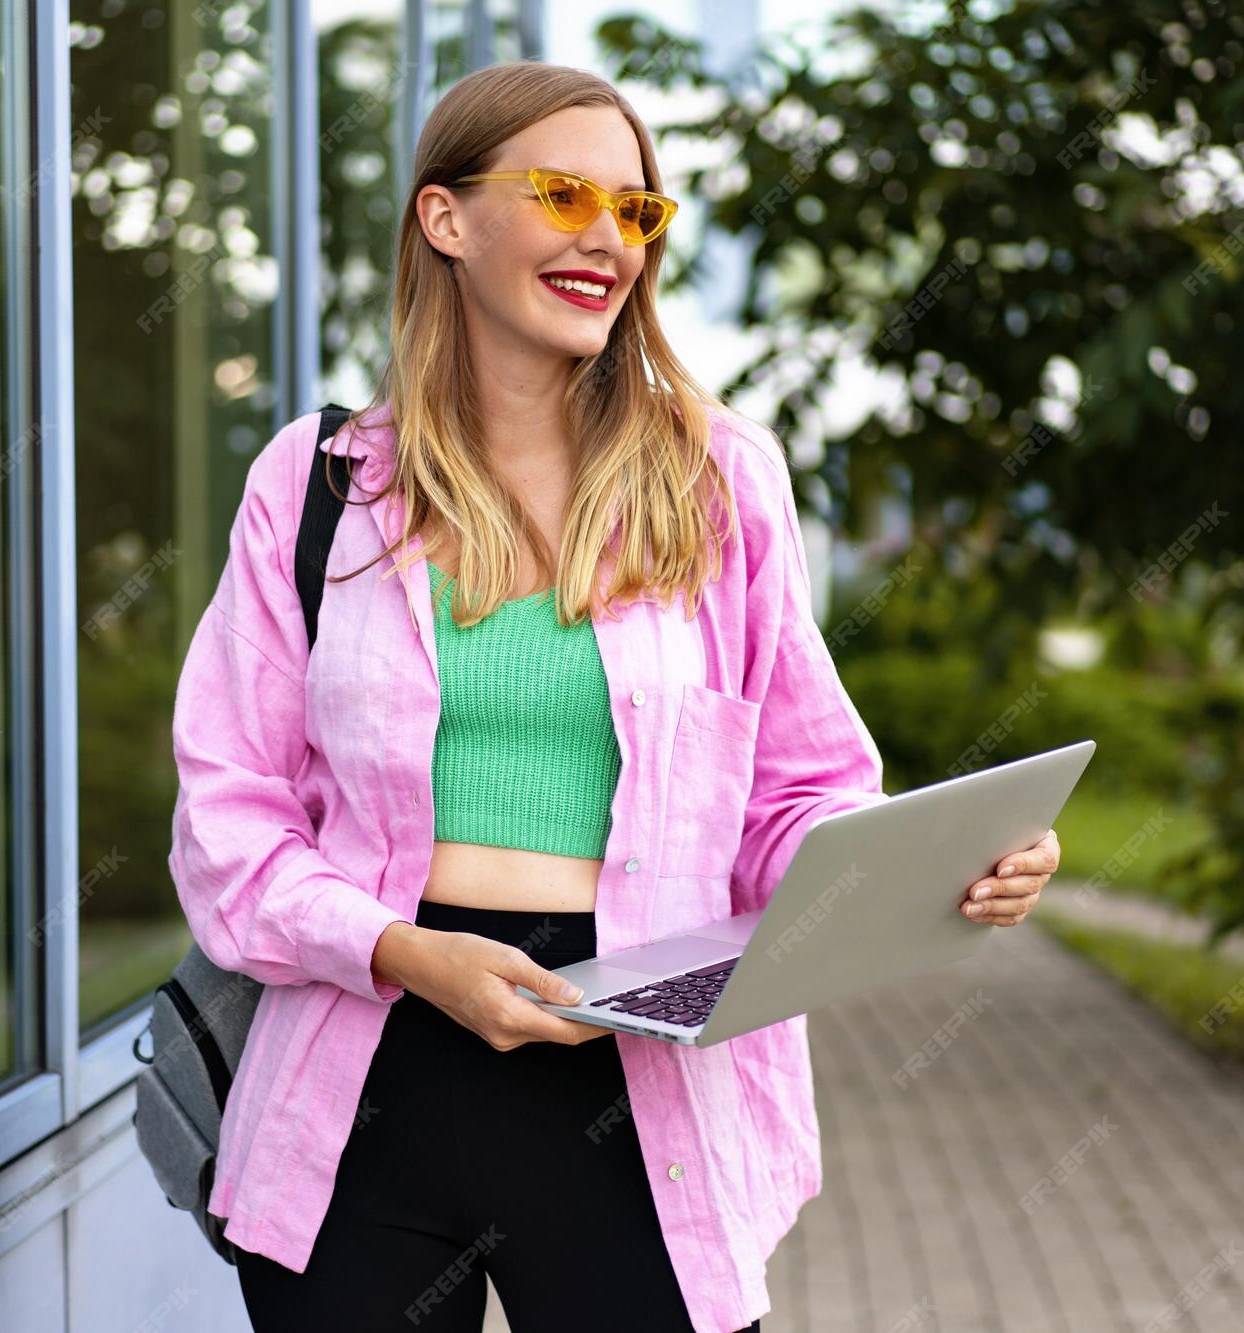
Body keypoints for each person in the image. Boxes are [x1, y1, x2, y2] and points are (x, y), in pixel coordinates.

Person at [168, 59, 1061, 1333]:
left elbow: (795, 794)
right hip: (362, 1081)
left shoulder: (719, 480)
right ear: (445, 219)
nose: (609, 238)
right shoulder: (318, 487)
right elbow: (228, 819)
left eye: (638, 212)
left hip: (637, 1094)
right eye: (563, 193)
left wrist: (926, 864)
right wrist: (403, 951)